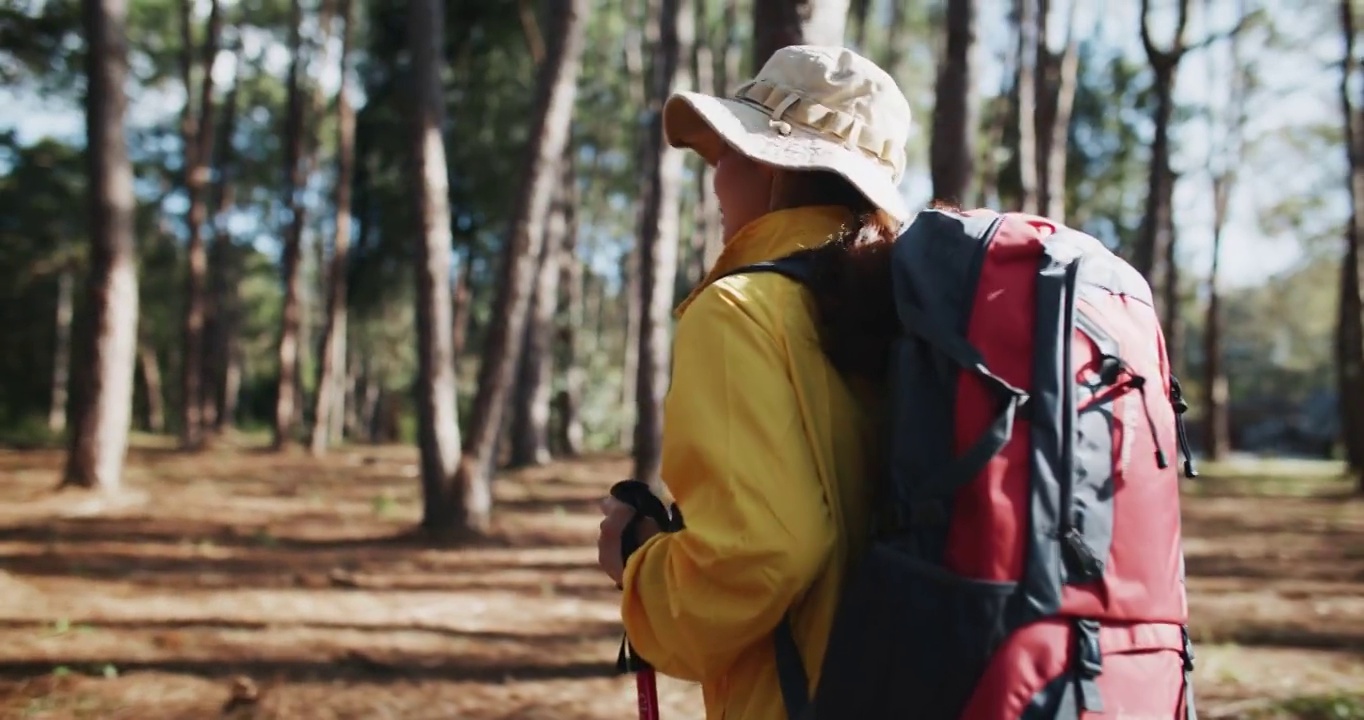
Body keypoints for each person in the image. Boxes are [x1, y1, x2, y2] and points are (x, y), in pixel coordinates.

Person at [596, 45, 914, 720]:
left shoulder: (739, 312)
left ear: (778, 166)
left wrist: (639, 563)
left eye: (728, 152)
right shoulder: (902, 310)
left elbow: (762, 551)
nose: (715, 175)